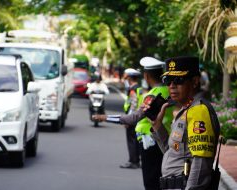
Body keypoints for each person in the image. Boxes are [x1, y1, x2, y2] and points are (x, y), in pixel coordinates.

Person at [93, 57, 173, 190]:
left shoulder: (153, 95)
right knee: (159, 179)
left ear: (146, 76)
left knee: (151, 182)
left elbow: (134, 118)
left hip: (151, 142)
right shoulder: (167, 91)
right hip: (162, 140)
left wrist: (105, 117)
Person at [149, 56, 220, 189]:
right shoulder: (186, 109)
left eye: (178, 80)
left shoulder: (199, 111)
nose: (172, 86)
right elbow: (172, 151)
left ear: (194, 81)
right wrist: (157, 125)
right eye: (168, 80)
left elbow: (201, 164)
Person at [120, 68, 142, 169]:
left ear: (129, 76)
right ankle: (136, 160)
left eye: (125, 74)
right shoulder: (139, 88)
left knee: (131, 140)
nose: (123, 75)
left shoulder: (133, 89)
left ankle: (133, 161)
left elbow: (133, 105)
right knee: (135, 140)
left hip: (133, 117)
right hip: (138, 117)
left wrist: (128, 119)